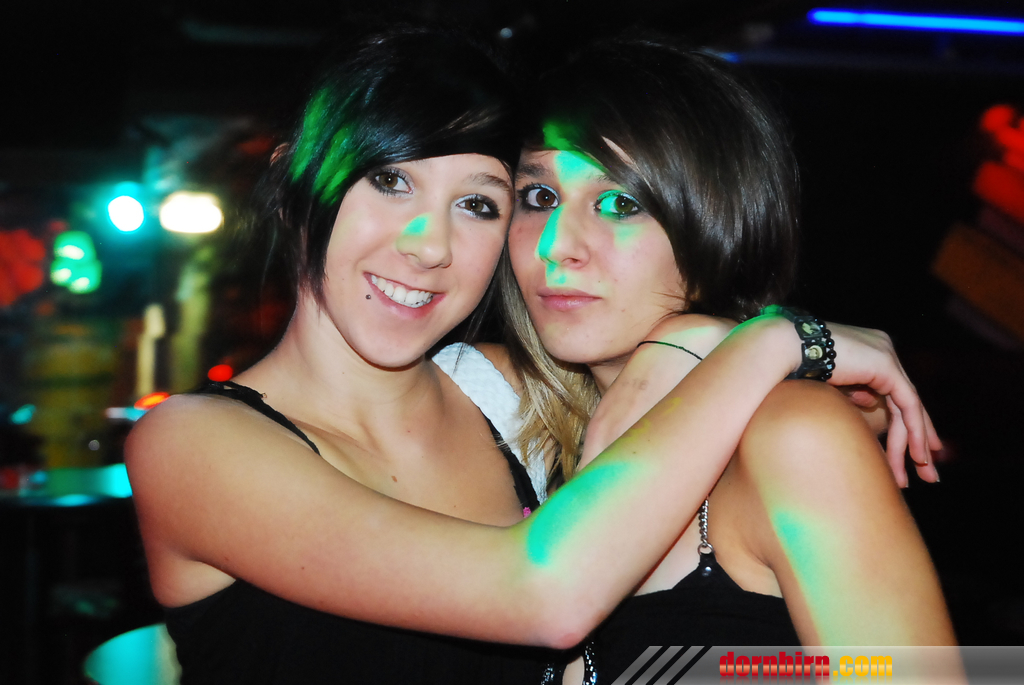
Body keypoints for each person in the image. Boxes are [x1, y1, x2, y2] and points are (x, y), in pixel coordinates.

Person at [125, 25, 941, 685]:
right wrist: (769, 340)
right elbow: (546, 593)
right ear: (294, 187)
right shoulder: (190, 444)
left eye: (480, 204)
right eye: (390, 181)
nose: (428, 245)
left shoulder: (515, 402)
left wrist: (705, 339)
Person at [502, 37, 956, 682]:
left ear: (720, 223)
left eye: (620, 203)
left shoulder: (795, 435)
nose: (555, 244)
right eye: (539, 197)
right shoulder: (514, 427)